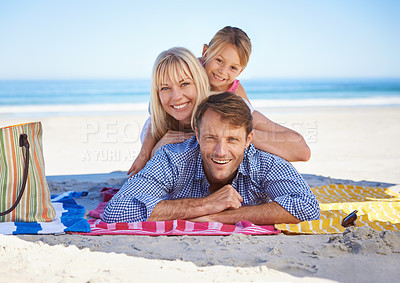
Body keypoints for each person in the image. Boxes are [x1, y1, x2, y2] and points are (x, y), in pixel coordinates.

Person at [104, 92, 320, 224]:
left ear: (248, 139)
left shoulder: (264, 161)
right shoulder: (173, 157)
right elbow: (118, 210)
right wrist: (206, 205)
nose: (220, 151)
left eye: (233, 139)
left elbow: (307, 206)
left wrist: (218, 217)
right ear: (197, 135)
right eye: (210, 138)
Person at [127, 28, 311, 177]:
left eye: (233, 68)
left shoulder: (231, 97)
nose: (222, 72)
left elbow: (300, 150)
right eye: (165, 88)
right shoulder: (189, 71)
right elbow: (156, 116)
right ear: (205, 53)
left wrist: (233, 135)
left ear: (240, 70)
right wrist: (146, 154)